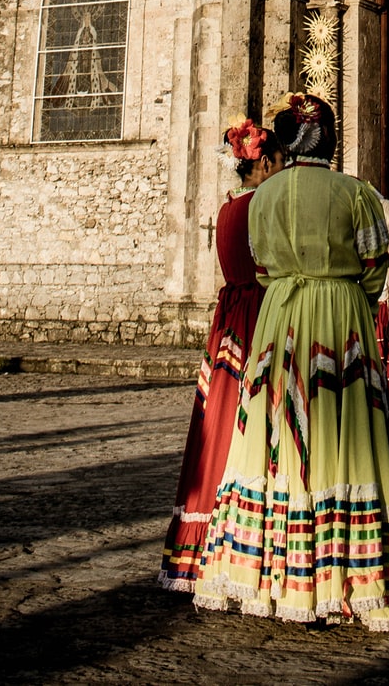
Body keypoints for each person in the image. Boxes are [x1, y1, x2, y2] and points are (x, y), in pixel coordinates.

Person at [192, 93, 389, 632]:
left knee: (277, 434)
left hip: (280, 317)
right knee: (349, 436)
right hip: (342, 318)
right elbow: (376, 266)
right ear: (330, 139)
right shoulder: (358, 194)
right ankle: (355, 577)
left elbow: (256, 264)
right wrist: (347, 292)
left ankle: (279, 576)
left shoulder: (263, 197)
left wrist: (287, 286)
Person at [158, 118, 284, 592]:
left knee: (219, 421)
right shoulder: (264, 207)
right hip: (260, 316)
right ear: (265, 162)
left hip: (228, 321)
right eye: (278, 162)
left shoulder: (228, 209)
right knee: (256, 423)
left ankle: (200, 536)